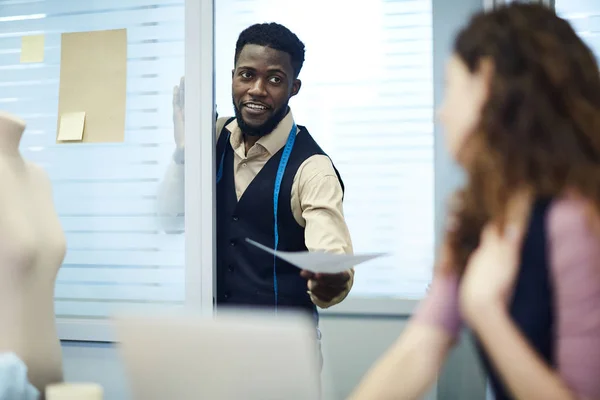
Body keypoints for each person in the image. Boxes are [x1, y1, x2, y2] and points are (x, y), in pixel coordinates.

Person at [348, 4, 600, 400]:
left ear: (485, 84)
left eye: (451, 87)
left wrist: (485, 311)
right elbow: (418, 351)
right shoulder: (477, 217)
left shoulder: (577, 218)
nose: (441, 113)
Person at [157, 23, 354, 322]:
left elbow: (331, 258)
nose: (257, 90)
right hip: (214, 340)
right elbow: (169, 220)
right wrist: (185, 150)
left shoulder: (313, 168)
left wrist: (329, 277)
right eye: (247, 75)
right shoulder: (212, 136)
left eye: (274, 79)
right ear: (233, 77)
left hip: (282, 350)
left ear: (294, 88)